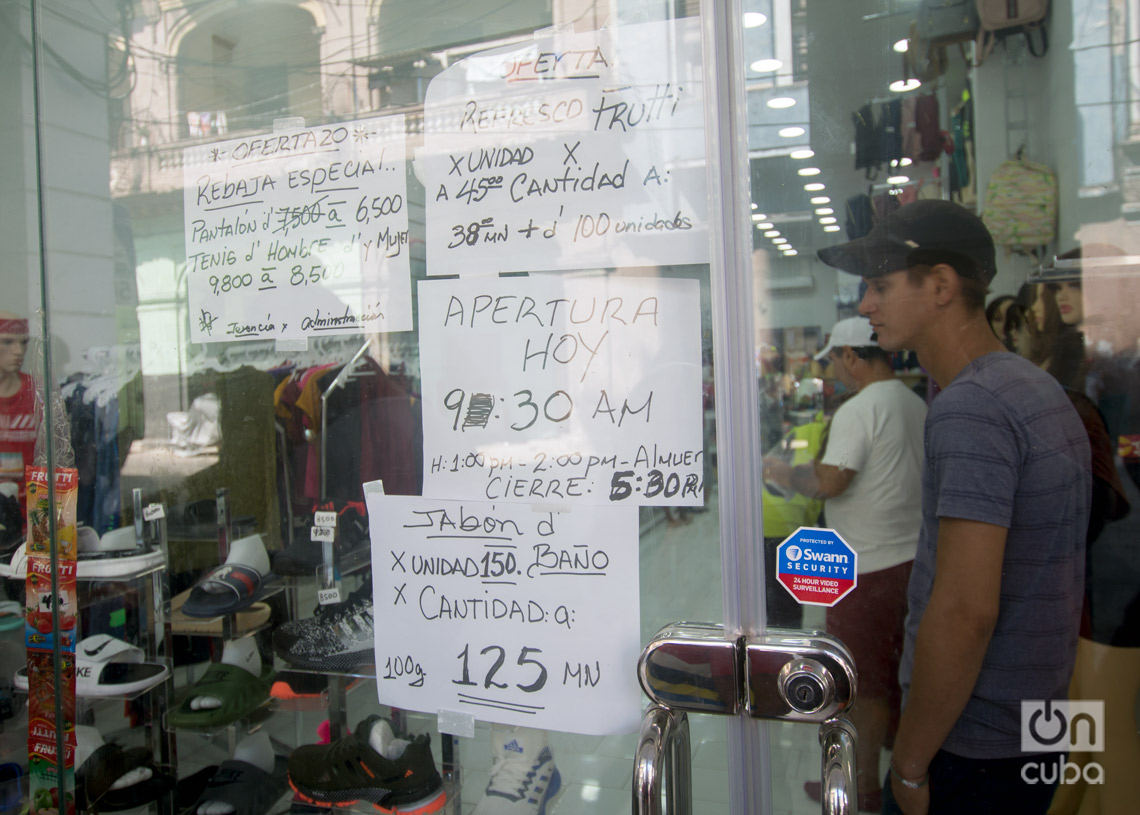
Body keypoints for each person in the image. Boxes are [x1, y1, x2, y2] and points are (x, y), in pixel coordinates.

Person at [816, 199, 1091, 814]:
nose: (865, 305)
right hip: (1036, 726)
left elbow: (967, 611)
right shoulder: (1032, 387)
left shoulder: (973, 407)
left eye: (881, 286)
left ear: (940, 285)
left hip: (977, 746)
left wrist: (910, 765)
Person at [764, 316, 926, 812]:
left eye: (834, 358)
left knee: (865, 685)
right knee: (895, 676)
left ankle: (864, 790)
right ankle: (897, 777)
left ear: (852, 356)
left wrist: (784, 472)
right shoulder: (915, 402)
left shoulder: (861, 409)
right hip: (909, 559)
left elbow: (832, 482)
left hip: (866, 567)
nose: (833, 369)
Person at [0, 312, 41, 550]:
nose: (18, 351)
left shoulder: (37, 392)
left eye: (23, 342)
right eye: (7, 341)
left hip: (31, 520)